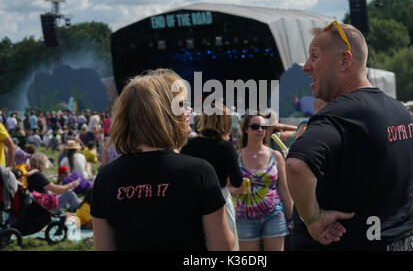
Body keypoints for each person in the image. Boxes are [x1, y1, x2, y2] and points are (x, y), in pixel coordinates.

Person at [285, 20, 413, 251]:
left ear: (344, 60)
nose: (306, 66)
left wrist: (313, 220)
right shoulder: (404, 113)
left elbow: (297, 165)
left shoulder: (339, 116)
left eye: (315, 56)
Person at [91, 69, 234, 251]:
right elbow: (222, 246)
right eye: (181, 104)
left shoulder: (105, 177)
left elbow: (104, 248)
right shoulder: (199, 172)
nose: (189, 110)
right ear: (163, 114)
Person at [181, 103, 243, 250]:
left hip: (192, 198)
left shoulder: (190, 145)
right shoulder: (226, 147)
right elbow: (237, 180)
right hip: (219, 196)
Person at [233, 113, 293, 251]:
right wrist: (237, 190)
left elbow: (283, 188)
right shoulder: (237, 156)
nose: (260, 130)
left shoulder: (275, 156)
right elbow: (227, 187)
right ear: (246, 130)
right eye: (255, 126)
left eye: (263, 127)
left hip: (273, 214)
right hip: (245, 216)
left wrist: (291, 218)